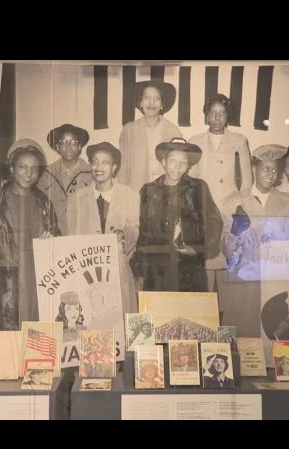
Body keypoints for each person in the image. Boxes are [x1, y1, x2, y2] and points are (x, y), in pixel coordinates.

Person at [218, 144, 289, 338]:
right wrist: (238, 237)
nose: (271, 174)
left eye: (275, 169)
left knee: (275, 337)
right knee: (240, 337)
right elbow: (225, 245)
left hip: (276, 279)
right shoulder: (233, 201)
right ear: (254, 169)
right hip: (244, 280)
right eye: (265, 168)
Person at [0, 138, 61, 333]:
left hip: (37, 275)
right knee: (7, 333)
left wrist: (51, 240)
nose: (29, 173)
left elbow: (58, 239)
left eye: (34, 169)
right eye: (23, 167)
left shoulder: (44, 202)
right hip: (4, 277)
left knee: (37, 333)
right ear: (12, 168)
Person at [130, 138, 222, 292]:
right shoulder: (148, 191)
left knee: (190, 315)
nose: (178, 167)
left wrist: (197, 249)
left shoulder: (198, 188)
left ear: (188, 166)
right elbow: (143, 234)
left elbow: (214, 221)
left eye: (183, 162)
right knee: (157, 314)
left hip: (190, 271)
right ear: (164, 162)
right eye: (173, 160)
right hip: (157, 272)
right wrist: (139, 272)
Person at [188, 94, 252, 291]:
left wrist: (236, 206)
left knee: (228, 266)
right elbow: (190, 180)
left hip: (229, 211)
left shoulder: (239, 140)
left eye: (221, 113)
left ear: (227, 116)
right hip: (204, 211)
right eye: (213, 113)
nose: (217, 118)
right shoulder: (194, 140)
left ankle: (228, 317)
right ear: (206, 116)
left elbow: (247, 181)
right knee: (205, 268)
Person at [66, 142, 139, 314]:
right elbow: (71, 237)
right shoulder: (76, 198)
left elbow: (135, 230)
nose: (98, 167)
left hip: (119, 270)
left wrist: (124, 234)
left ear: (114, 167)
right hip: (87, 273)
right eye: (94, 162)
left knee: (120, 321)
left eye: (105, 162)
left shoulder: (129, 195)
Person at [119, 80, 183, 193]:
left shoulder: (173, 131)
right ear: (141, 102)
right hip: (136, 192)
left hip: (165, 194)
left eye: (156, 98)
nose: (151, 102)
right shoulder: (129, 130)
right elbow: (123, 169)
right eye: (147, 97)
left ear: (162, 104)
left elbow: (178, 167)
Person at [38, 124, 93, 235]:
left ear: (79, 147)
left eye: (73, 142)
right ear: (57, 147)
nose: (68, 146)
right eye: (63, 142)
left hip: (83, 237)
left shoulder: (91, 173)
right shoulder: (45, 174)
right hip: (53, 237)